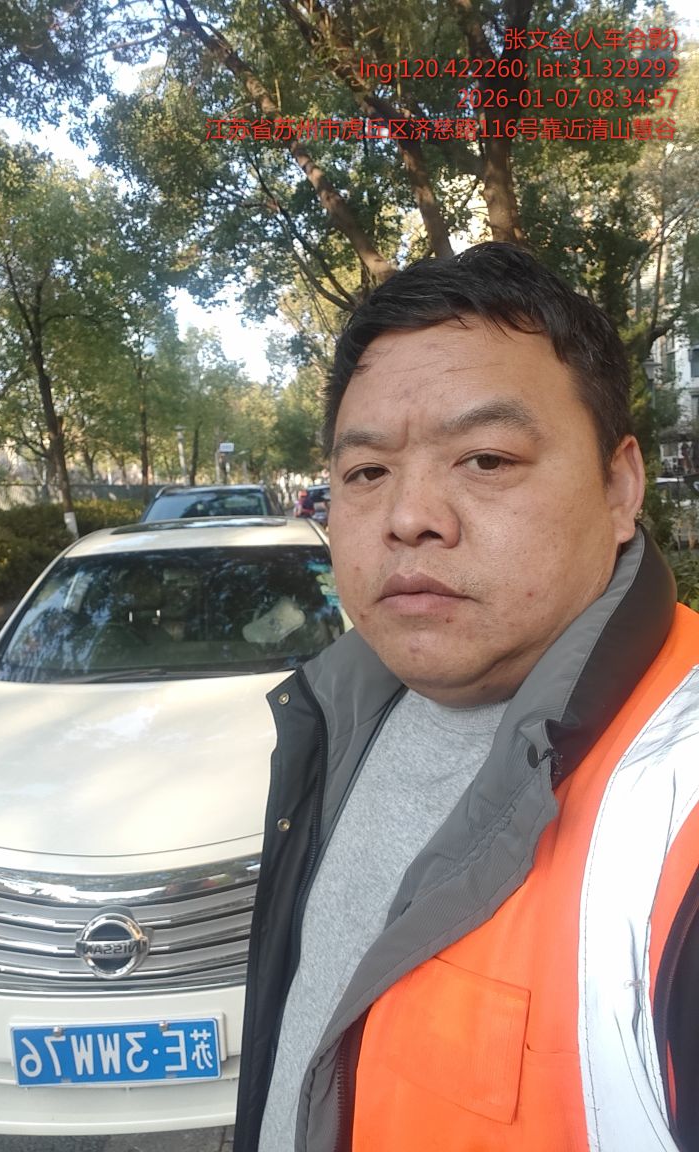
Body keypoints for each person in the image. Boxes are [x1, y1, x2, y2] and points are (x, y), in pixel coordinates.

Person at [234, 242, 699, 1152]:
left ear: (619, 487)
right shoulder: (346, 709)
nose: (410, 516)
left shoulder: (677, 800)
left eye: (485, 459)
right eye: (367, 473)